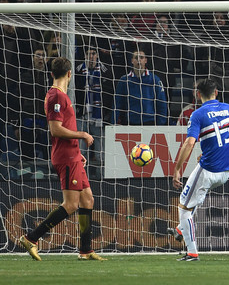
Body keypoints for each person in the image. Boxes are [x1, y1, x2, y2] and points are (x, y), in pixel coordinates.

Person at [19, 57, 106, 261]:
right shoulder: (56, 96)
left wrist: (77, 150)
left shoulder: (59, 95)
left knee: (87, 200)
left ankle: (85, 250)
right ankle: (31, 238)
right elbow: (55, 129)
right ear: (69, 74)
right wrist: (83, 135)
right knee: (71, 204)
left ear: (51, 74)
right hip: (65, 157)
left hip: (72, 154)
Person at [168, 78, 229, 261]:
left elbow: (189, 142)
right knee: (195, 198)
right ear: (216, 92)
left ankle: (192, 252)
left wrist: (177, 169)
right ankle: (180, 229)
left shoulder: (197, 114)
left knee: (184, 206)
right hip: (227, 171)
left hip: (209, 170)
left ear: (197, 94)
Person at [74, 46, 114, 179]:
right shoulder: (77, 70)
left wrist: (106, 113)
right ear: (84, 56)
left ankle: (101, 178)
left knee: (100, 153)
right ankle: (80, 178)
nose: (91, 57)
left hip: (99, 117)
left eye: (93, 54)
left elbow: (109, 93)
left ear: (97, 56)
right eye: (88, 54)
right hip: (82, 115)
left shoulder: (106, 70)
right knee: (80, 151)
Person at [112, 50, 168, 125]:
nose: (139, 60)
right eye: (136, 57)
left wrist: (160, 125)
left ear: (145, 60)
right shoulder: (124, 80)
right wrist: (113, 123)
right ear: (132, 61)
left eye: (141, 57)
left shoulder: (155, 80)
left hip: (150, 123)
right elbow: (117, 104)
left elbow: (162, 104)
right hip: (130, 123)